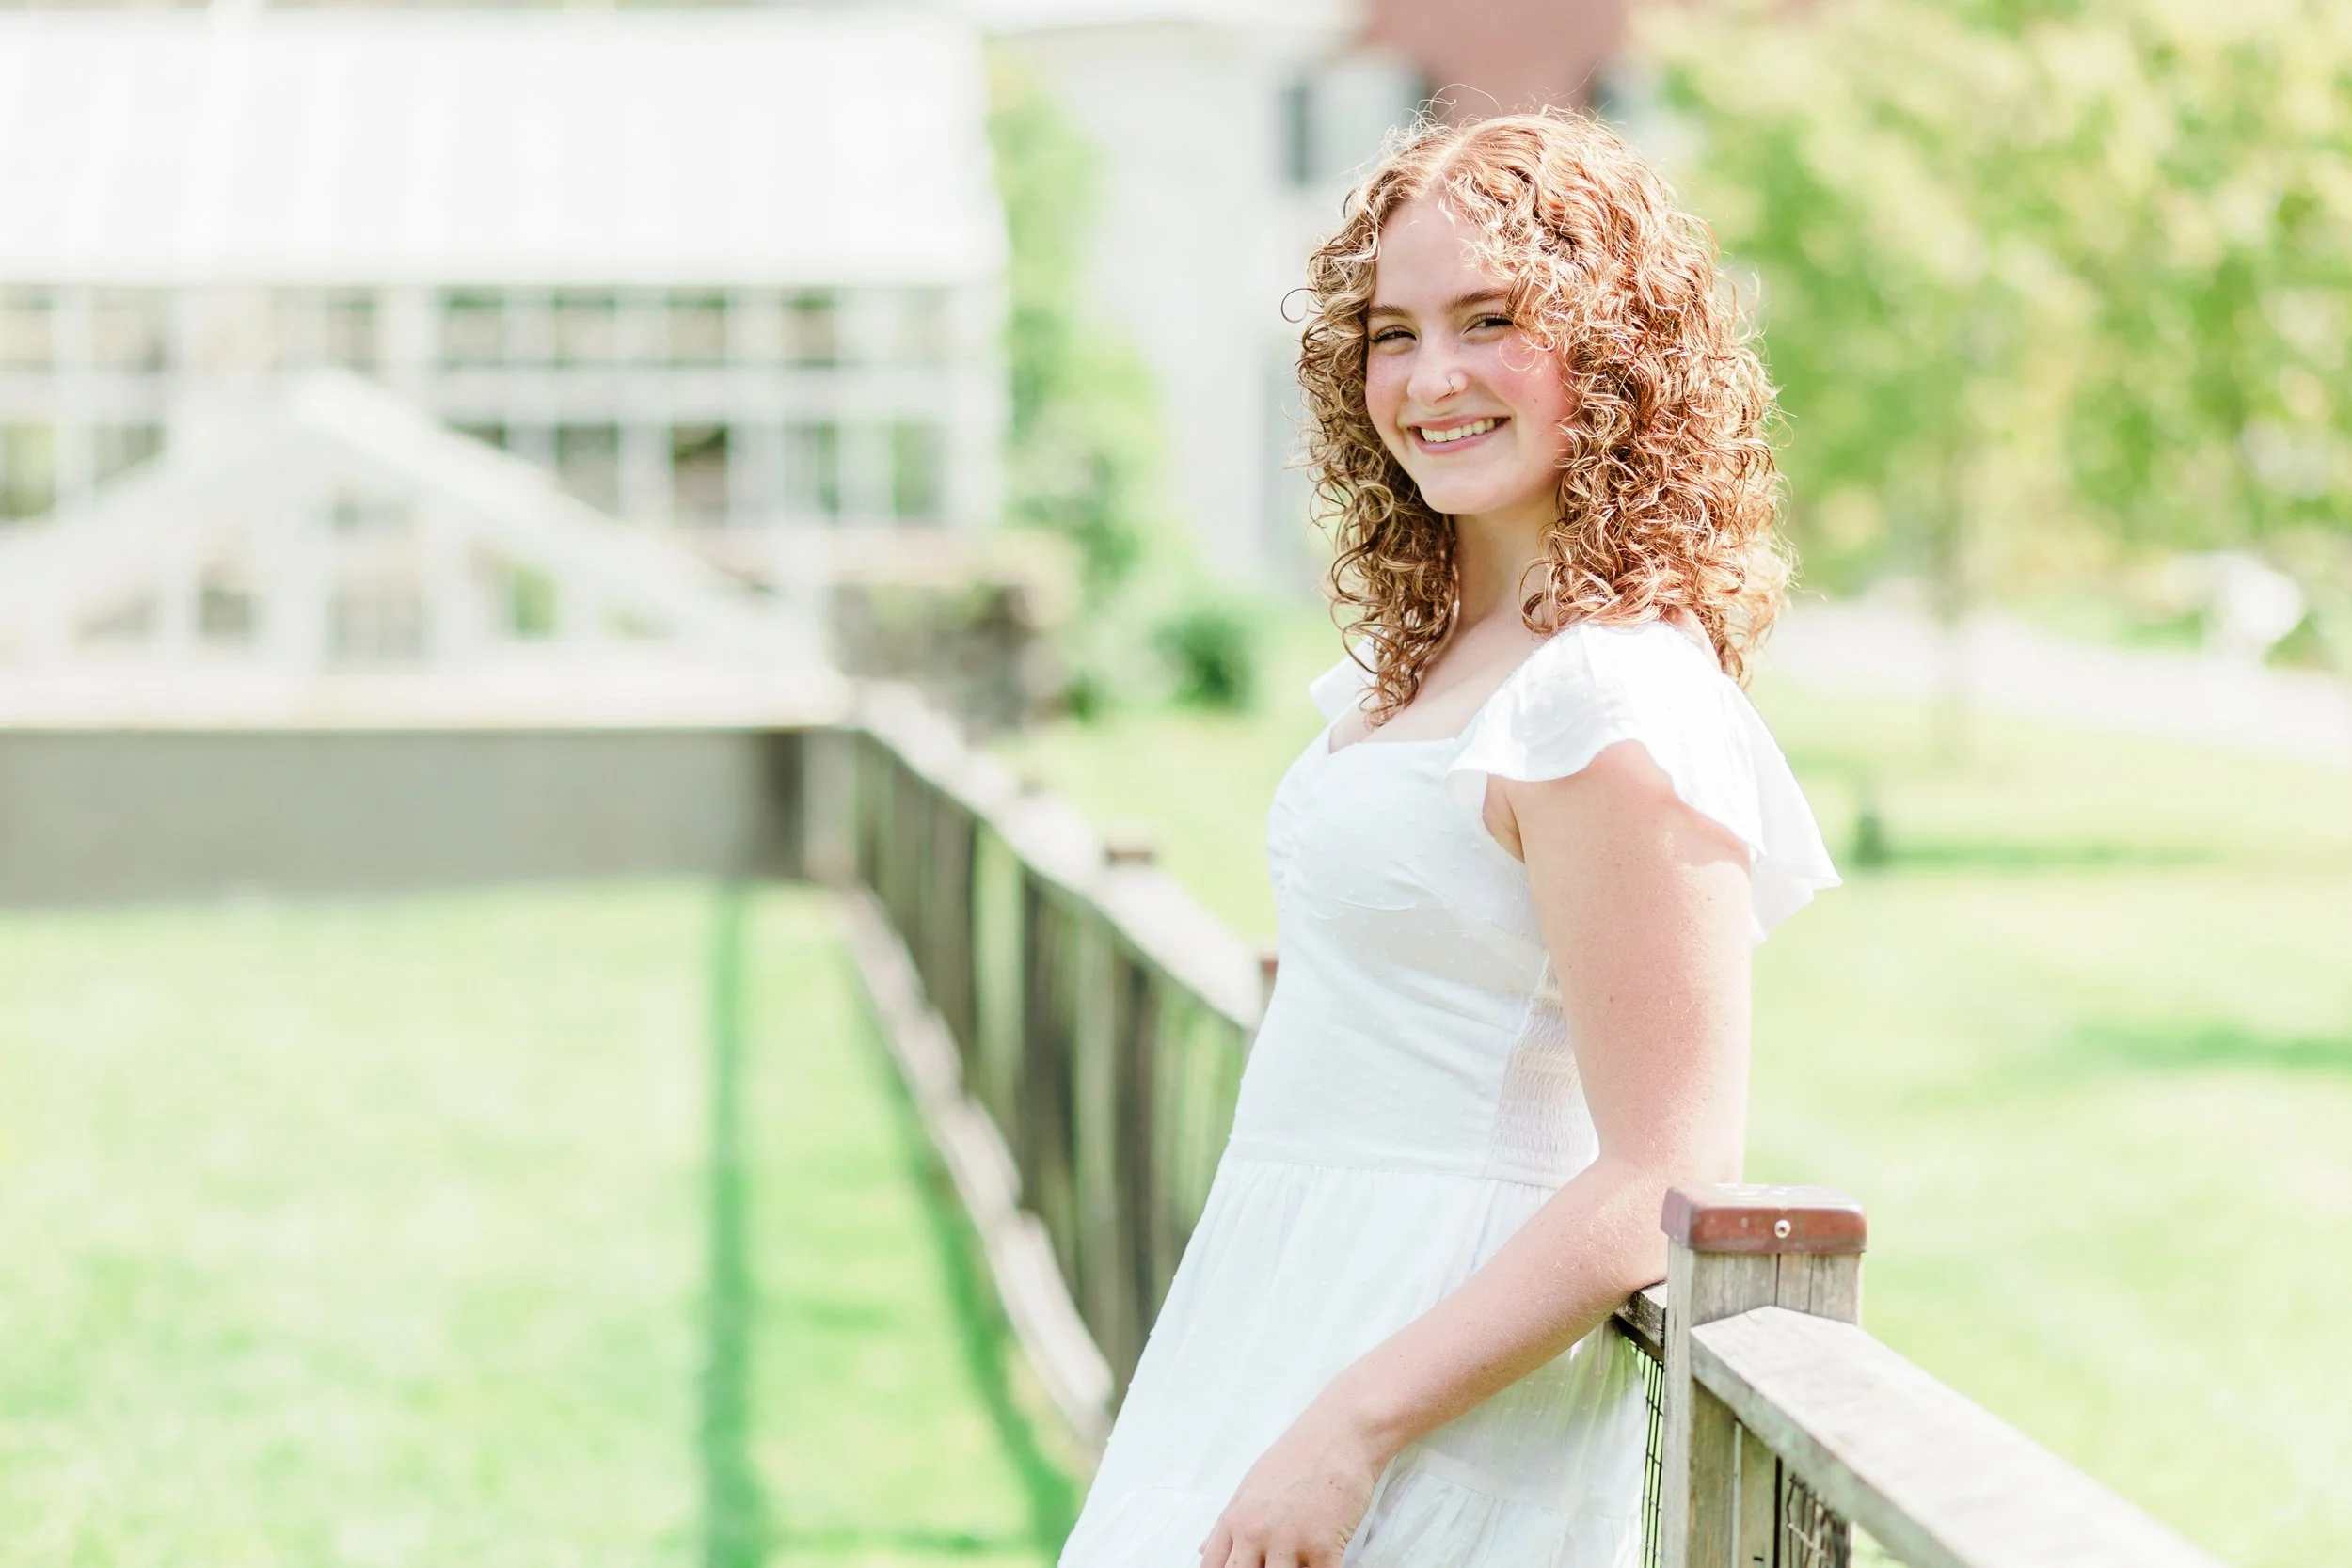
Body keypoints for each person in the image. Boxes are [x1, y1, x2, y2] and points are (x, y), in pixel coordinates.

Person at [1057, 111, 1839, 1568]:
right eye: (1393, 332)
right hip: (1283, 1303)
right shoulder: (1435, 660)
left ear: (1612, 351)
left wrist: (1352, 1428)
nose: (1432, 378)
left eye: (1492, 321)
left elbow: (1665, 1169)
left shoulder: (1610, 692)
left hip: (1424, 1383)